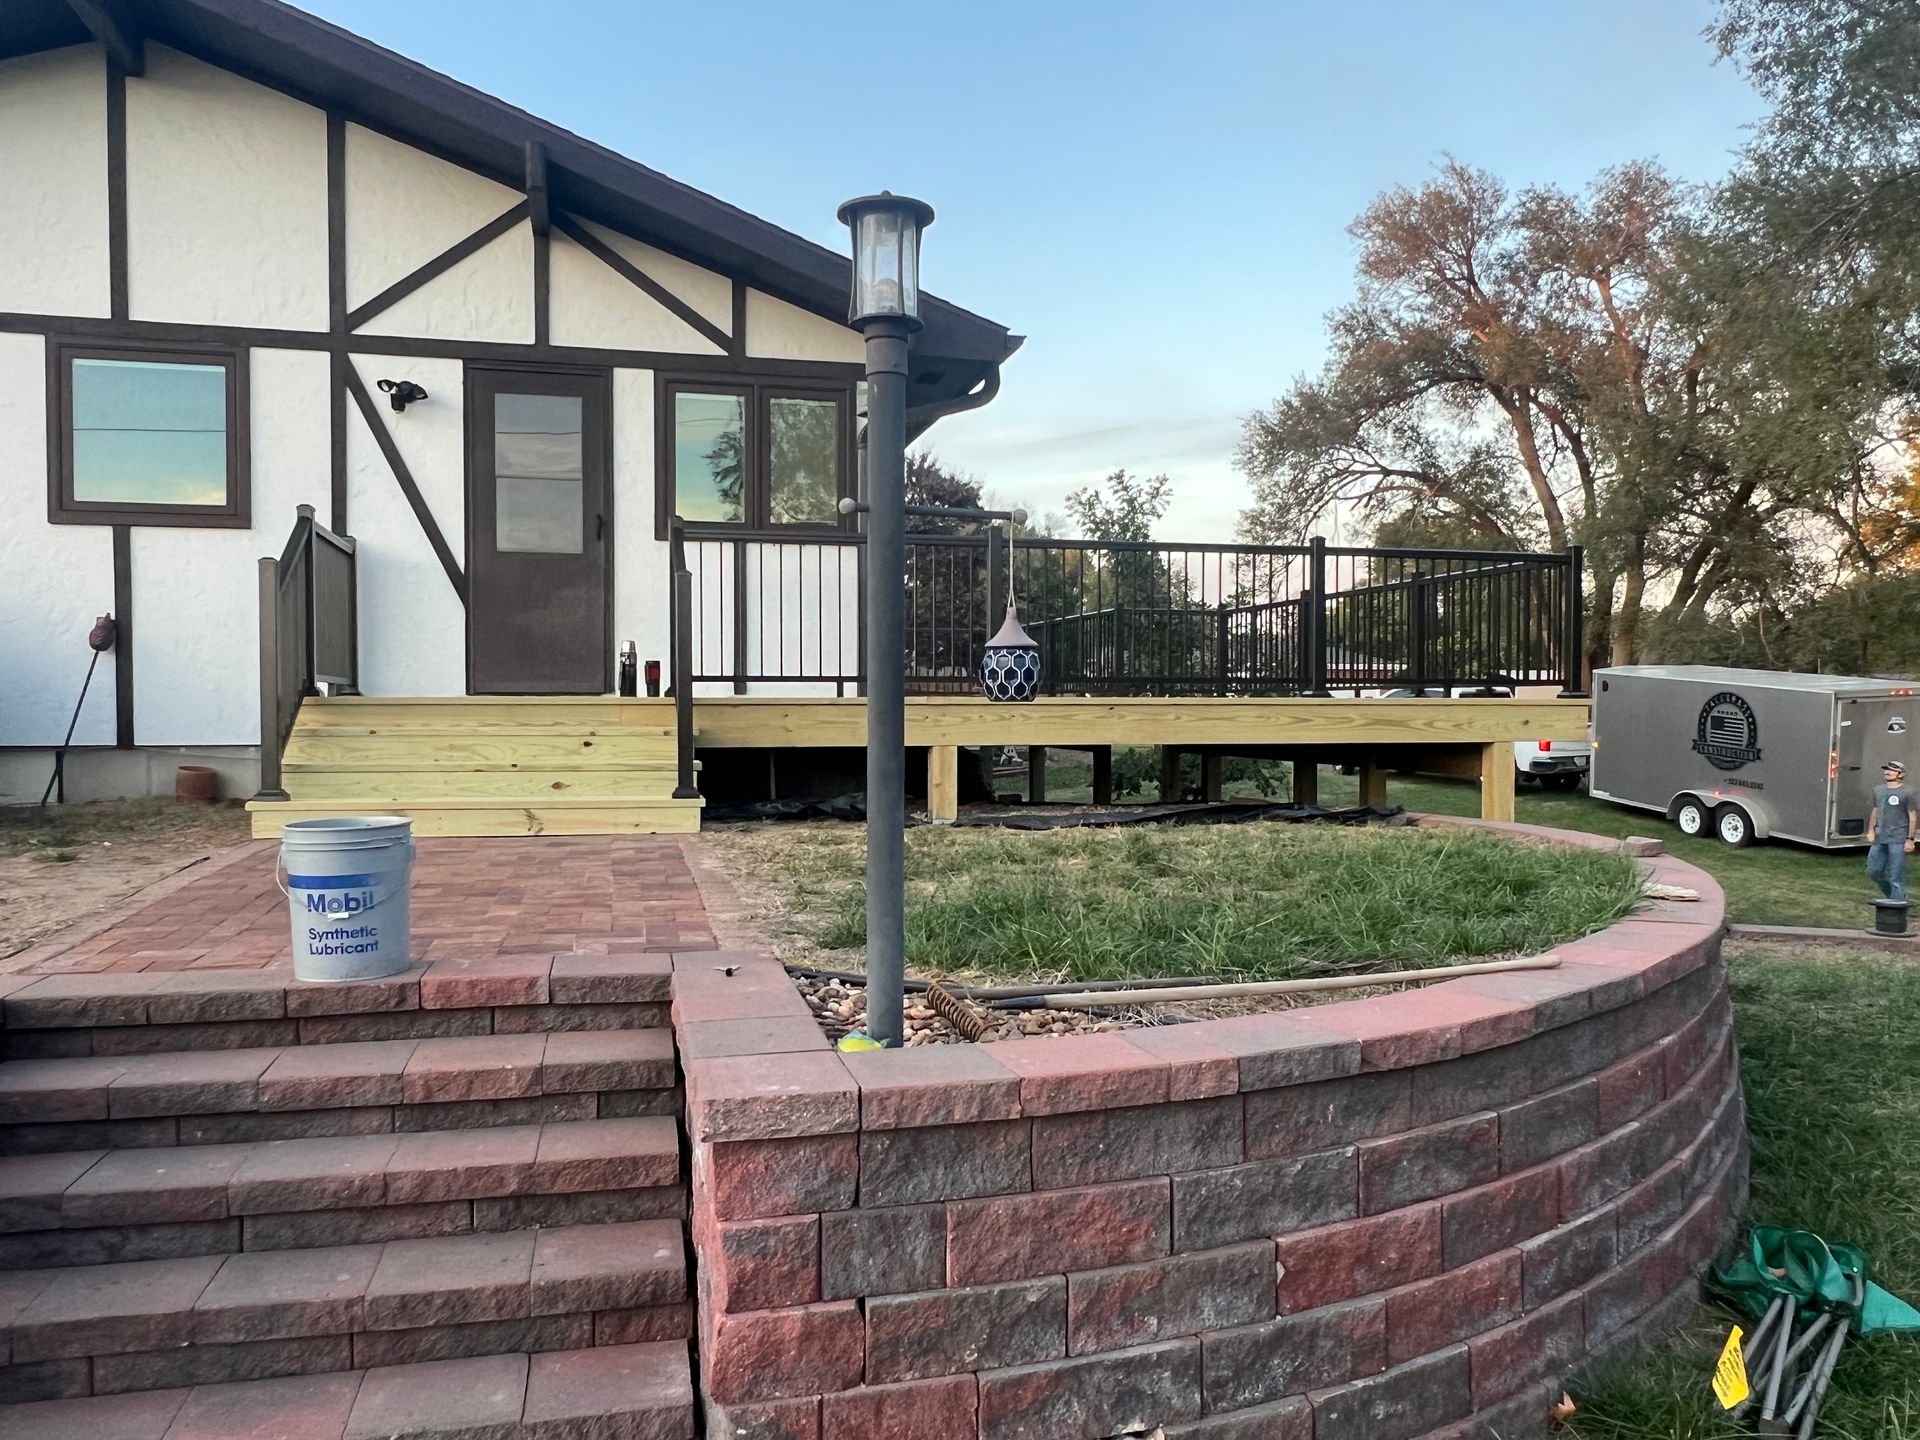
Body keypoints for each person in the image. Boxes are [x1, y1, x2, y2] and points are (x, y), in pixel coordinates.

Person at [1866, 758, 1916, 901]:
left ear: (1901, 774)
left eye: (1892, 770)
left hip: (1898, 838)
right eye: (1886, 769)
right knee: (1873, 871)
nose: (1887, 772)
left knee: (1896, 875)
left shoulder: (1908, 792)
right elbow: (1875, 811)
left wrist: (1910, 839)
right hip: (1880, 837)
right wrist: (1871, 830)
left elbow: (1912, 816)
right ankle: (1893, 896)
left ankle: (1897, 905)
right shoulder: (1878, 790)